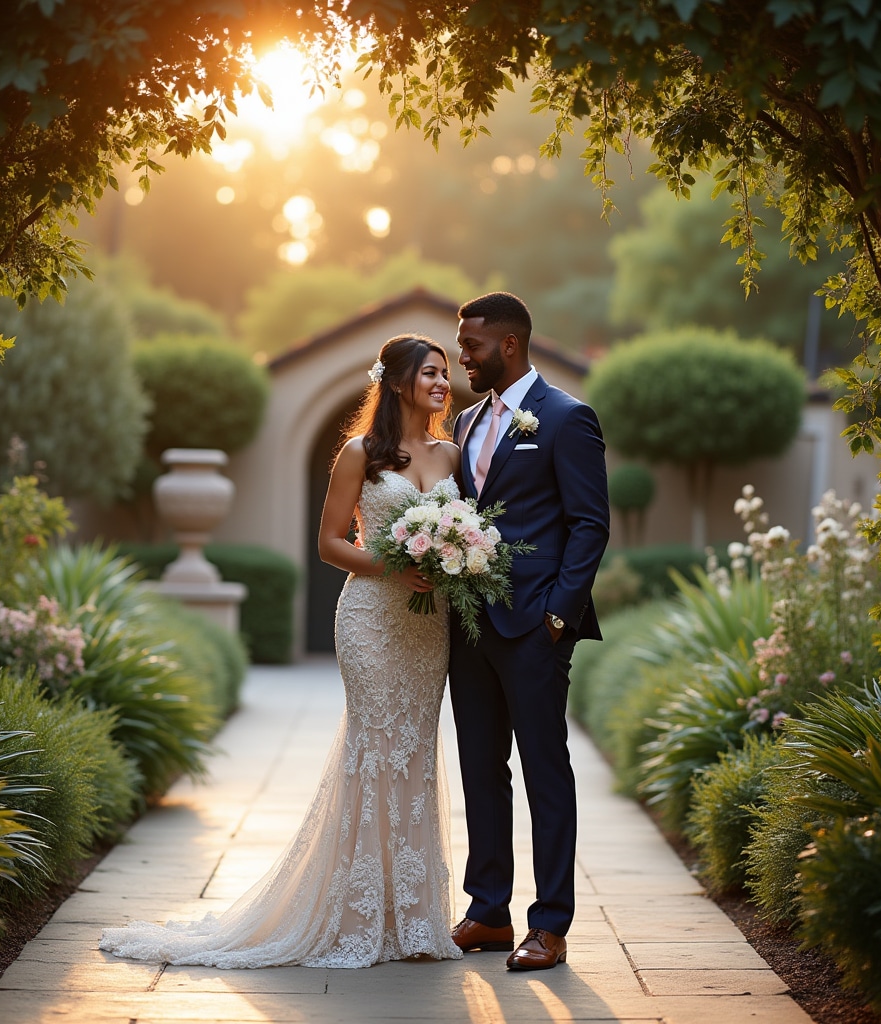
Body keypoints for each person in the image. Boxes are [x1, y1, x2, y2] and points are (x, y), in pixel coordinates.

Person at [100, 334, 464, 969]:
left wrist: (453, 558)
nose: (442, 382)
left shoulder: (454, 454)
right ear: (400, 381)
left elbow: (462, 535)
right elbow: (328, 543)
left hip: (426, 627)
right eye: (431, 372)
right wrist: (391, 565)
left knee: (416, 757)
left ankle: (412, 917)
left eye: (446, 373)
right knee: (375, 749)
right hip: (371, 619)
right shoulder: (361, 454)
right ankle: (355, 916)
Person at [448, 291, 610, 971]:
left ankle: (550, 925)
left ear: (509, 344)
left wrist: (556, 617)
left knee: (546, 772)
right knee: (481, 771)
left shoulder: (567, 419)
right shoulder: (460, 424)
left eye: (472, 345)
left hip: (535, 626)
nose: (462, 356)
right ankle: (488, 912)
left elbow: (589, 525)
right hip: (469, 626)